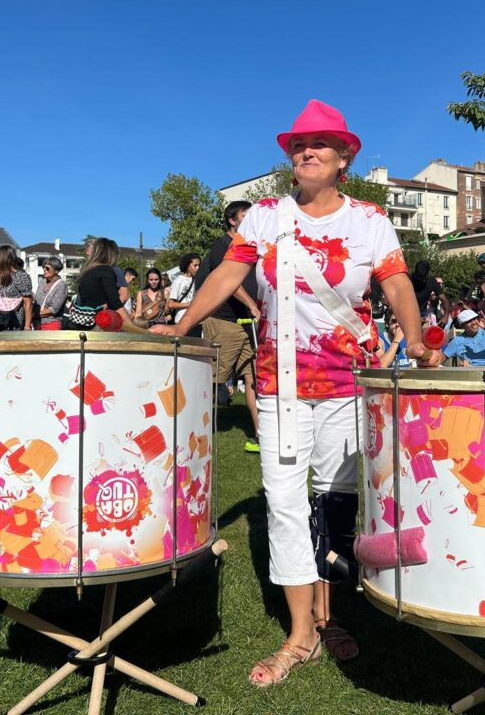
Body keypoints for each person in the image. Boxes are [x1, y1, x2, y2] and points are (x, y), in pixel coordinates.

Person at [152, 99, 441, 686]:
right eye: (298, 145)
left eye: (319, 145)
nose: (306, 152)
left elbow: (396, 283)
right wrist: (183, 325)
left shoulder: (369, 220)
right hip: (278, 385)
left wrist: (414, 339)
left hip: (347, 384)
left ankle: (331, 616)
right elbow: (227, 275)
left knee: (336, 503)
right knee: (285, 504)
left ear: (343, 158)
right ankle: (301, 632)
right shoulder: (264, 216)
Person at [198, 200, 261, 450]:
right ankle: (189, 427)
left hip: (248, 324)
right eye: (246, 215)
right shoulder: (222, 245)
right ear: (232, 220)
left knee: (254, 378)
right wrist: (252, 305)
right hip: (224, 322)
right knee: (212, 380)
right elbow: (228, 283)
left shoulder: (252, 247)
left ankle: (261, 436)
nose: (252, 219)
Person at [77, 237, 135, 328]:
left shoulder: (86, 272)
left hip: (85, 321)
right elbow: (115, 302)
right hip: (102, 323)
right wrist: (132, 326)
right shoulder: (105, 270)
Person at [0, 245, 33, 332]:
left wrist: (27, 327)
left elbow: (28, 303)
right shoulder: (3, 277)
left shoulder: (21, 276)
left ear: (3, 258)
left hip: (13, 325)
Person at [34, 256, 68, 331]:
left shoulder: (61, 285)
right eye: (43, 267)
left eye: (47, 268)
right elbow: (37, 302)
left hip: (51, 323)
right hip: (37, 323)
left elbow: (53, 309)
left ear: (56, 271)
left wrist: (34, 315)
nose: (44, 270)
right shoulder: (42, 282)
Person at [168, 253, 200, 326]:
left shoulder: (197, 280)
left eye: (199, 265)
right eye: (195, 265)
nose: (198, 268)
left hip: (196, 321)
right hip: (181, 321)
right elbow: (171, 304)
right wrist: (189, 304)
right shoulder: (179, 281)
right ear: (187, 266)